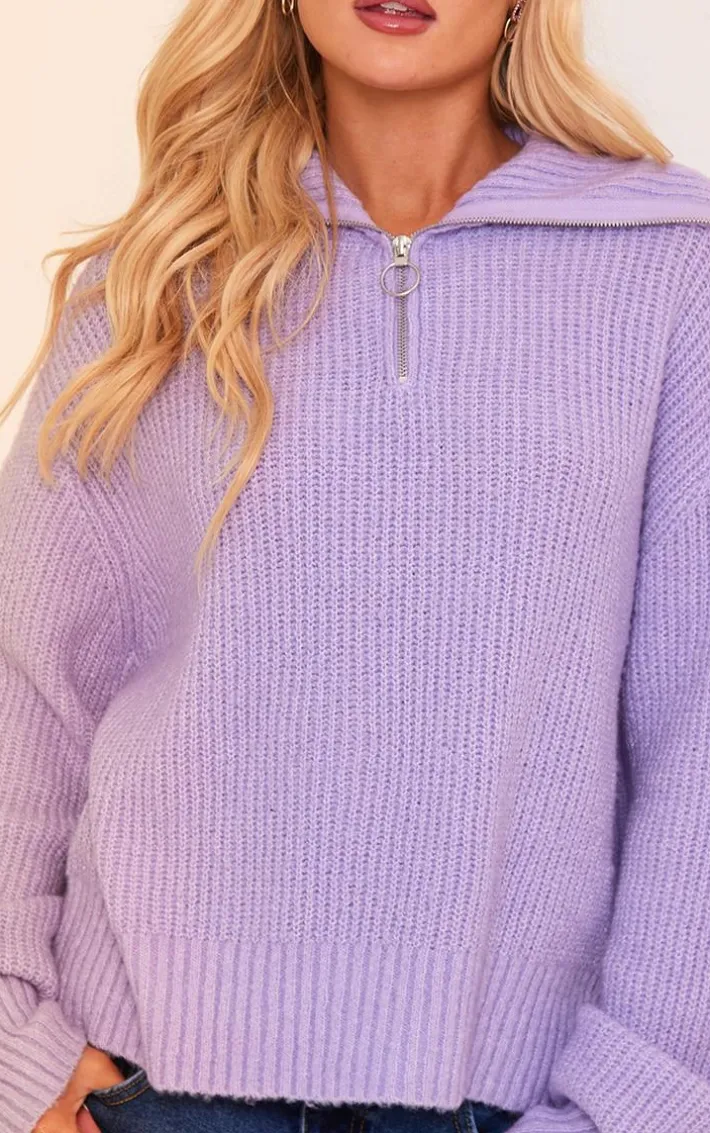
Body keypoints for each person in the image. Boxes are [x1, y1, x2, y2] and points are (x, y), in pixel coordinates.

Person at [2, 0, 710, 1131]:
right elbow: (26, 688)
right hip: (149, 1090)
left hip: (518, 1100)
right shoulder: (151, 283)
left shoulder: (669, 270)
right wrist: (16, 1043)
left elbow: (697, 722)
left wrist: (642, 1098)